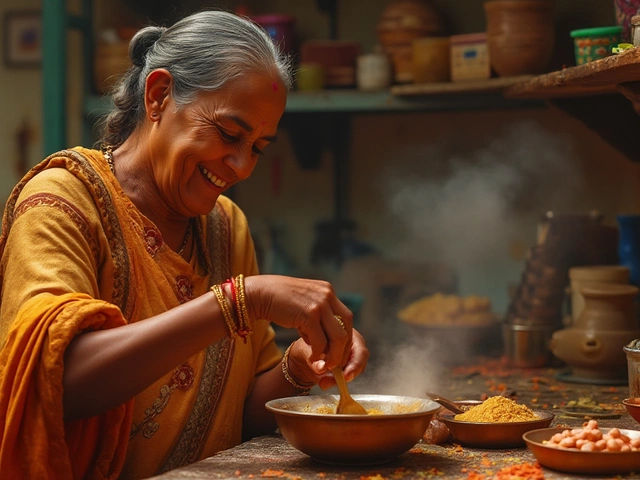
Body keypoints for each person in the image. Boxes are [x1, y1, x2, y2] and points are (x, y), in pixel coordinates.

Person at [0, 10, 369, 480]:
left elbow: (242, 419)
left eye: (258, 147)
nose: (240, 167)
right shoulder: (62, 203)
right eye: (229, 134)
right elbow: (53, 384)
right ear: (158, 96)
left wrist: (300, 367)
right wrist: (241, 300)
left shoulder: (225, 227)